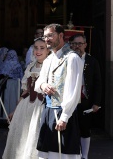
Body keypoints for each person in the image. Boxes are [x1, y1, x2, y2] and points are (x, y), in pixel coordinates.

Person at [34, 24, 84, 159]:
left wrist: (64, 117)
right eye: (45, 36)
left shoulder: (72, 58)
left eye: (50, 35)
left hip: (63, 113)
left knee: (63, 153)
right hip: (48, 110)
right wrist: (43, 85)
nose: (47, 39)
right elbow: (38, 83)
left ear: (61, 36)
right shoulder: (49, 58)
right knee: (47, 153)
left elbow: (73, 91)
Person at [2, 38, 50, 159]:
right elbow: (25, 91)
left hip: (41, 108)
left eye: (42, 48)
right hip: (25, 107)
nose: (38, 51)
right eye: (36, 47)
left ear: (48, 50)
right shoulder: (30, 67)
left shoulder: (51, 66)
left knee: (35, 137)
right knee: (22, 138)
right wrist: (15, 110)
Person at [69, 34, 102, 159]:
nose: (77, 46)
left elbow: (98, 84)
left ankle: (85, 155)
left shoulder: (92, 61)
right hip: (70, 100)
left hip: (85, 101)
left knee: (85, 129)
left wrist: (96, 103)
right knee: (71, 129)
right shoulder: (66, 60)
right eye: (74, 44)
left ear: (85, 45)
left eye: (80, 44)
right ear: (71, 45)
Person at [0, 50, 24, 119]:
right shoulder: (17, 64)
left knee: (6, 100)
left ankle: (4, 116)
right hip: (14, 84)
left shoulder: (4, 63)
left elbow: (0, 74)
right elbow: (21, 76)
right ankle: (12, 116)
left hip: (5, 84)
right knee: (13, 100)